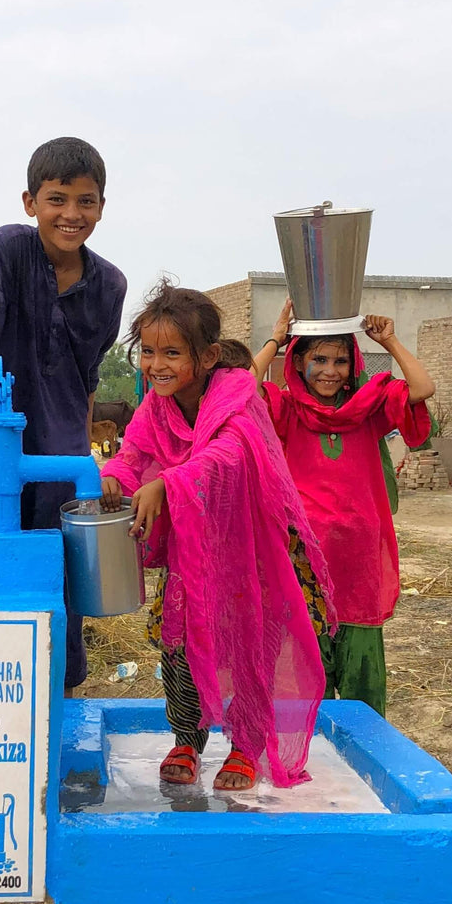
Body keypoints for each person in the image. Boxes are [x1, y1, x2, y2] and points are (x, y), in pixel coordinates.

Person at [101, 281, 335, 791]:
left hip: (252, 545)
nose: (155, 364)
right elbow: (132, 454)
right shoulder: (154, 408)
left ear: (206, 356)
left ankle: (248, 745)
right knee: (180, 642)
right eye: (147, 351)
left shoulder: (237, 395)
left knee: (249, 639)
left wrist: (169, 482)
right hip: (194, 548)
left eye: (171, 352)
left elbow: (226, 457)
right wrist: (113, 478)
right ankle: (187, 736)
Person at [0, 137, 126, 697]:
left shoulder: (110, 286)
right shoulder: (8, 252)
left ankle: (58, 704)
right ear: (31, 202)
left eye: (86, 201)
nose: (71, 215)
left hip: (63, 458)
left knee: (58, 585)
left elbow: (86, 375)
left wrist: (87, 453)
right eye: (57, 199)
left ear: (101, 205)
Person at [254, 301, 435, 716]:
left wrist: (388, 341)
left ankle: (361, 763)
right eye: (318, 359)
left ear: (353, 365)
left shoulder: (370, 408)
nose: (330, 371)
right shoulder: (285, 410)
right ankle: (306, 762)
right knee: (303, 681)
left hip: (360, 563)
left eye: (340, 360)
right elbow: (242, 390)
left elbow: (422, 389)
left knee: (362, 682)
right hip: (303, 561)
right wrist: (276, 337)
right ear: (297, 362)